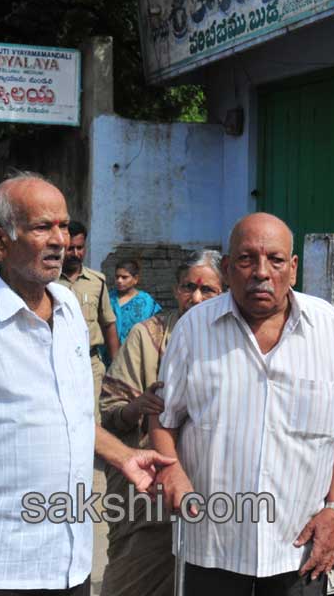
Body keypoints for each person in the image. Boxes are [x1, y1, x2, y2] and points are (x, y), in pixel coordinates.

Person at [0, 171, 176, 595]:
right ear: (1, 241)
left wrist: (124, 457)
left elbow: (71, 417)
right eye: (42, 227)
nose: (60, 239)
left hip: (70, 560)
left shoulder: (71, 309)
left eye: (63, 225)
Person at [151, 213, 334, 595]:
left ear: (293, 268)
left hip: (300, 550)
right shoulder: (193, 329)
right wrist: (172, 471)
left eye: (275, 260)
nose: (261, 272)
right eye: (246, 259)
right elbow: (164, 419)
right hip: (212, 547)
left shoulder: (330, 328)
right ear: (227, 268)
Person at [97, 249, 223, 596]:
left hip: (212, 491)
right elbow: (108, 412)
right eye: (188, 287)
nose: (195, 298)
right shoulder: (147, 336)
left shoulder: (234, 342)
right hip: (148, 494)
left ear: (224, 292)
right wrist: (137, 407)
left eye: (207, 290)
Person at [57, 220, 120, 416]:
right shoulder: (47, 282)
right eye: (70, 249)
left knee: (92, 421)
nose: (76, 254)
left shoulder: (97, 281)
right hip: (58, 362)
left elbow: (108, 324)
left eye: (80, 248)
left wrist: (116, 367)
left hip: (90, 362)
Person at [109, 259, 161, 345]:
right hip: (110, 352)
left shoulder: (146, 301)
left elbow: (156, 327)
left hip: (137, 350)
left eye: (124, 277)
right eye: (117, 277)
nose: (119, 281)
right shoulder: (108, 298)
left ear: (135, 279)